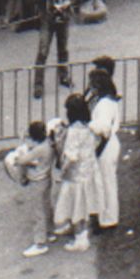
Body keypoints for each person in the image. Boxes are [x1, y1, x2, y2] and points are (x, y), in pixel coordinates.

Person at [28, 0, 80, 98]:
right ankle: (38, 85)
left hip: (64, 18)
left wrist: (70, 2)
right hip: (47, 20)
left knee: (63, 49)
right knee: (43, 51)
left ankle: (63, 76)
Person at [54, 92, 101, 250]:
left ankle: (80, 239)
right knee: (84, 205)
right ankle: (81, 232)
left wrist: (61, 173)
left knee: (76, 206)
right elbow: (96, 142)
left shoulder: (73, 131)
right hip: (89, 171)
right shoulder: (89, 126)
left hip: (75, 175)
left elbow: (70, 156)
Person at [3, 117, 56, 256]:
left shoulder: (38, 150)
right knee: (46, 206)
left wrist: (19, 149)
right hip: (46, 179)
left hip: (37, 182)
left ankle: (40, 243)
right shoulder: (48, 144)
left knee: (38, 211)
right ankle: (49, 231)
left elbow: (22, 159)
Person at [87, 59, 122, 229]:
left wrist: (88, 125)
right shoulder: (108, 100)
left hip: (106, 146)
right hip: (108, 145)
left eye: (92, 85)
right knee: (103, 182)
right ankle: (102, 214)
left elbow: (103, 127)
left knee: (106, 183)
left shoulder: (104, 104)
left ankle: (108, 219)